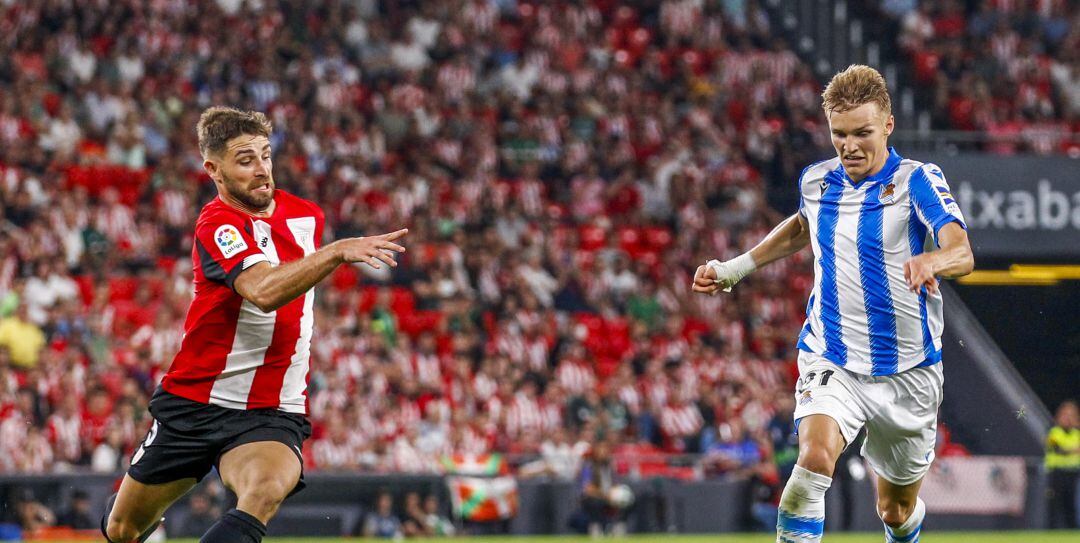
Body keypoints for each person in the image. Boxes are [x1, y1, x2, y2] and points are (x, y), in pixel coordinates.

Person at [693, 65, 974, 543]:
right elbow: (802, 226)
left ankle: (905, 526)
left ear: (887, 125)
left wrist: (933, 260)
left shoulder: (917, 180)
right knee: (814, 460)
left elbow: (962, 251)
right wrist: (735, 269)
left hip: (909, 373)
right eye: (839, 134)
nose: (850, 146)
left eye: (862, 133)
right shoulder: (817, 181)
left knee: (894, 510)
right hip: (833, 356)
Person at [102, 106, 409, 543]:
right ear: (215, 169)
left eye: (266, 155)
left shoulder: (307, 217)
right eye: (246, 160)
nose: (263, 169)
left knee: (263, 491)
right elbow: (263, 292)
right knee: (122, 528)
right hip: (196, 400)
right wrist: (336, 252)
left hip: (271, 409)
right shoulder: (217, 224)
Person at [1045, 400, 1079, 529]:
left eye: (1071, 415)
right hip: (1057, 473)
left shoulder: (1077, 433)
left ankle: (1073, 533)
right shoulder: (1053, 432)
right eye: (1065, 415)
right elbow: (1056, 449)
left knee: (1071, 505)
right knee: (1054, 504)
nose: (1068, 418)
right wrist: (1073, 450)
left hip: (1073, 473)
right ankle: (1051, 532)